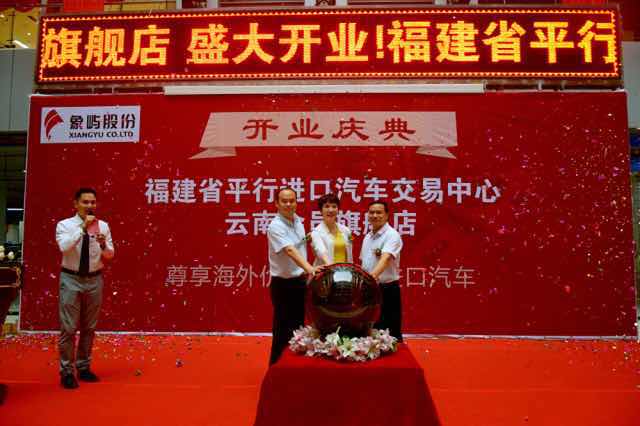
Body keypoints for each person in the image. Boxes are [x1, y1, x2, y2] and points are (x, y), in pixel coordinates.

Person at [55, 188, 114, 389]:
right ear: (76, 204)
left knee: (89, 327)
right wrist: (82, 228)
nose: (90, 206)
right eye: (85, 202)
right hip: (71, 278)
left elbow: (110, 255)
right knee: (69, 328)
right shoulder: (64, 225)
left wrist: (104, 244)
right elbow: (64, 247)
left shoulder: (103, 226)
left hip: (94, 279)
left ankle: (83, 367)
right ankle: (66, 371)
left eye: (93, 202)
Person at [266, 187, 319, 365]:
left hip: (299, 282)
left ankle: (292, 368)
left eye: (292, 201)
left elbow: (299, 245)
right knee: (283, 329)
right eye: (284, 201)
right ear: (276, 203)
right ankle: (276, 367)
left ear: (296, 202)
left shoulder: (298, 221)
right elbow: (290, 250)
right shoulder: (275, 226)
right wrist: (310, 268)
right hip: (283, 285)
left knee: (298, 328)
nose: (288, 204)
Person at [360, 201, 404, 342]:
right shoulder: (368, 237)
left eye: (379, 212)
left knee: (390, 335)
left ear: (387, 215)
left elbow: (385, 259)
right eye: (371, 212)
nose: (375, 215)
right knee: (370, 333)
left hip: (387, 289)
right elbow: (364, 264)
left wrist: (370, 279)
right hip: (369, 289)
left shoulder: (392, 235)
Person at [310, 193, 353, 266]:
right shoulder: (316, 232)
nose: (331, 210)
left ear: (338, 210)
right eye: (326, 206)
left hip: (344, 271)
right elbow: (321, 252)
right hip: (326, 271)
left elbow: (350, 252)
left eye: (334, 206)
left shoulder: (346, 230)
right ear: (321, 210)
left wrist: (351, 268)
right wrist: (332, 268)